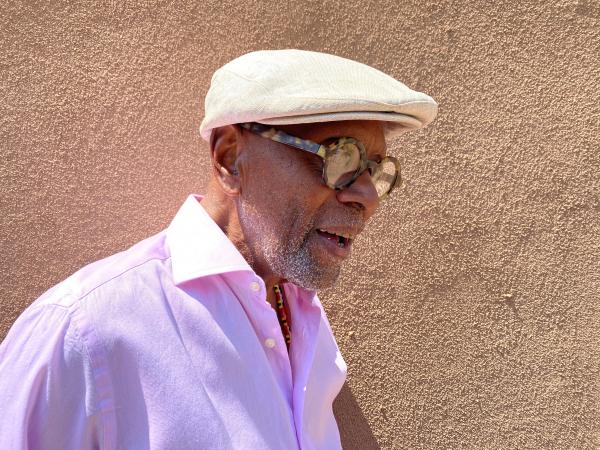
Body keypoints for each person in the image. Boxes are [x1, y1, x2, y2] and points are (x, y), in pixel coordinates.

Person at [0, 49, 437, 449]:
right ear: (229, 158)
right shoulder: (84, 332)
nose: (368, 196)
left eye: (376, 170)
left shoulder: (303, 317)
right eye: (341, 157)